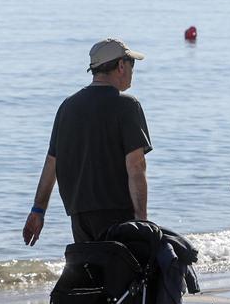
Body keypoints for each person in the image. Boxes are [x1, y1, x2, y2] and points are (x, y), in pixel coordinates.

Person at [23, 37, 151, 248]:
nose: (132, 70)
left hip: (80, 217)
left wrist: (38, 210)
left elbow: (51, 164)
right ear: (120, 65)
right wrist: (142, 220)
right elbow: (136, 166)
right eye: (131, 64)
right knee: (125, 275)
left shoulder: (67, 106)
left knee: (94, 275)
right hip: (118, 214)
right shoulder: (127, 105)